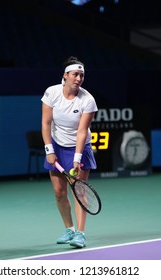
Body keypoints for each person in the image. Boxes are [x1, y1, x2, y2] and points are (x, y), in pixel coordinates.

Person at [41, 56, 98, 248]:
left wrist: (77, 158)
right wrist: (49, 149)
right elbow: (46, 123)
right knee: (59, 192)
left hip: (79, 146)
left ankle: (80, 234)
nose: (79, 78)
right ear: (65, 75)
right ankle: (69, 229)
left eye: (81, 75)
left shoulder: (87, 100)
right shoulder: (51, 92)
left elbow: (82, 131)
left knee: (79, 192)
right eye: (75, 74)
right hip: (56, 144)